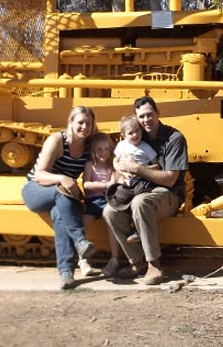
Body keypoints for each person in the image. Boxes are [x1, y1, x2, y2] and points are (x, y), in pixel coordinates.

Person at [103, 96, 189, 285]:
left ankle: (154, 265)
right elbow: (118, 159)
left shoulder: (174, 139)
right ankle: (137, 261)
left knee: (140, 203)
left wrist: (137, 169)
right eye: (142, 116)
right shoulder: (135, 135)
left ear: (158, 113)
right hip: (137, 190)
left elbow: (170, 178)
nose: (146, 120)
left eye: (150, 115)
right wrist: (119, 167)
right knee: (110, 210)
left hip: (168, 195)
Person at [22, 106, 99, 289]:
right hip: (36, 190)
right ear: (71, 122)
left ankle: (66, 273)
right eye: (80, 122)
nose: (84, 127)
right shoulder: (57, 140)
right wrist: (62, 178)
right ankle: (80, 241)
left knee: (59, 215)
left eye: (88, 123)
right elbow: (40, 174)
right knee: (61, 191)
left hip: (61, 197)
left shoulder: (89, 146)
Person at [106, 114, 160, 244]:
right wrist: (120, 171)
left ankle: (137, 229)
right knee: (118, 197)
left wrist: (140, 169)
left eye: (137, 131)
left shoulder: (146, 147)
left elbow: (157, 165)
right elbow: (116, 161)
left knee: (139, 200)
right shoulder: (121, 146)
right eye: (131, 133)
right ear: (123, 135)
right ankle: (127, 226)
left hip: (142, 179)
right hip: (127, 180)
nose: (135, 135)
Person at [81, 132, 124, 276]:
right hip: (92, 201)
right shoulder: (90, 165)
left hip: (107, 201)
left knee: (112, 226)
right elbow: (86, 184)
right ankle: (82, 260)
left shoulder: (111, 167)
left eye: (106, 149)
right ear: (93, 150)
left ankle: (115, 260)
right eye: (99, 149)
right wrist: (102, 184)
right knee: (82, 227)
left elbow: (113, 182)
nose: (103, 153)